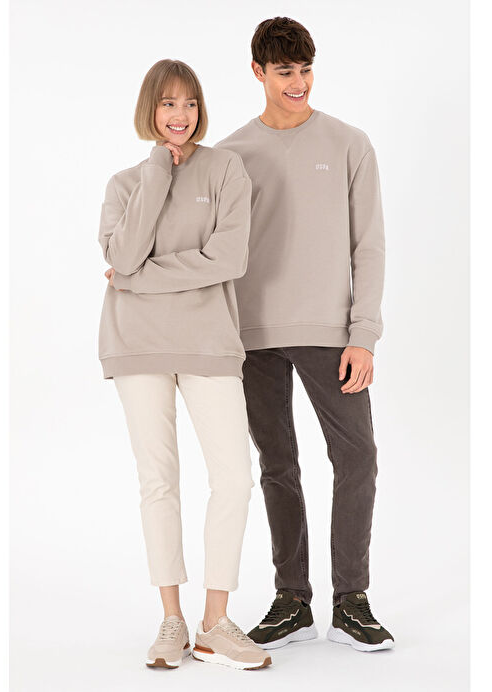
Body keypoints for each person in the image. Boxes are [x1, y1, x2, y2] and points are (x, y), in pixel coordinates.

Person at [214, 17, 394, 652]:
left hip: (331, 333)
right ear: (258, 72)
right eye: (284, 71)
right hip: (251, 334)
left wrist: (363, 333)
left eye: (306, 69)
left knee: (357, 456)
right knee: (277, 465)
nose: (298, 82)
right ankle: (292, 599)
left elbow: (369, 245)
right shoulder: (231, 154)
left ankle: (351, 601)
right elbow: (210, 246)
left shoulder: (349, 143)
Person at [97, 58, 271, 670]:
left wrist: (138, 280)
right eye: (168, 103)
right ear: (150, 109)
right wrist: (156, 170)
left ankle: (214, 622)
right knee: (159, 481)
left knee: (234, 477)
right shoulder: (126, 182)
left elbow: (228, 258)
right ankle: (171, 619)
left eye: (190, 102)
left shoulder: (225, 169)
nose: (181, 114)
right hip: (136, 343)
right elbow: (123, 251)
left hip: (208, 341)